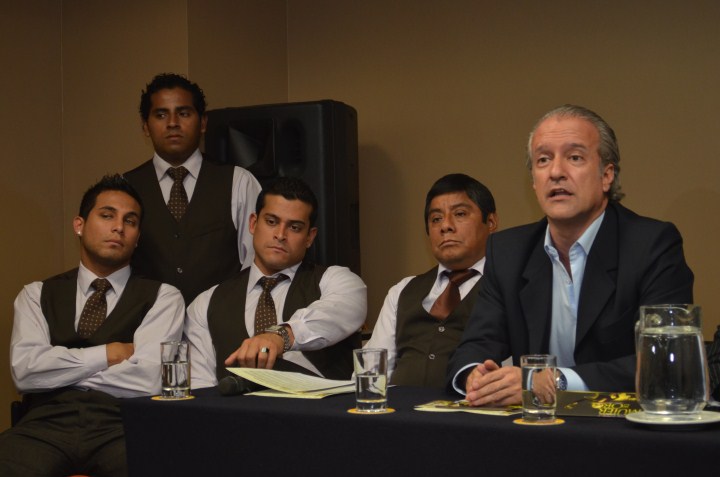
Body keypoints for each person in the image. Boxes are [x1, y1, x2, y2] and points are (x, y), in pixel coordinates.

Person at [447, 105, 694, 406]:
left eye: (574, 157)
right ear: (534, 181)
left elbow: (665, 361)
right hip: (535, 427)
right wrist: (476, 377)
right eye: (543, 160)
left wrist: (551, 382)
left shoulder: (651, 245)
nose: (556, 172)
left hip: (620, 426)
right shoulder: (508, 252)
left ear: (607, 175)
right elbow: (475, 345)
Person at [0, 175, 185, 476]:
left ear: (137, 237)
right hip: (44, 425)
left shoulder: (164, 297)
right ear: (79, 225)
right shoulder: (36, 294)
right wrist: (108, 354)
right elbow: (25, 370)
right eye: (107, 215)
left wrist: (60, 371)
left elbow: (149, 378)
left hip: (122, 425)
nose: (118, 227)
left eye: (130, 221)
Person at [185, 177, 366, 387]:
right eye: (271, 222)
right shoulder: (206, 303)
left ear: (310, 237)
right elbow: (202, 388)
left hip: (323, 406)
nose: (280, 235)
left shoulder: (338, 281)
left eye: (295, 227)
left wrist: (279, 337)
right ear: (253, 223)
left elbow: (339, 311)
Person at [124, 73, 262, 303]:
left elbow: (257, 265)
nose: (172, 123)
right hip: (147, 321)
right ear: (145, 126)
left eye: (184, 113)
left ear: (203, 123)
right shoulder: (125, 188)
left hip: (221, 321)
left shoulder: (239, 182)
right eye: (161, 115)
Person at [364, 173, 497, 388]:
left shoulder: (508, 286)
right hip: (399, 407)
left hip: (472, 406)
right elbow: (372, 372)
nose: (446, 226)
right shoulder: (403, 290)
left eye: (460, 214)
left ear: (490, 222)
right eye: (436, 219)